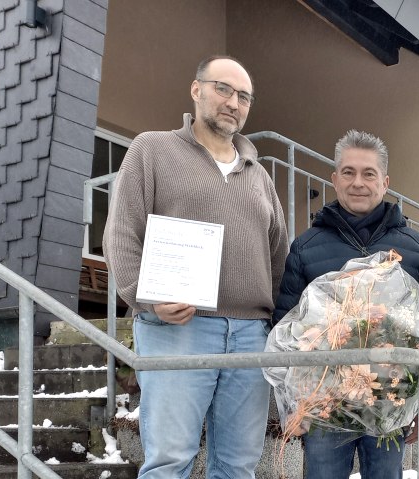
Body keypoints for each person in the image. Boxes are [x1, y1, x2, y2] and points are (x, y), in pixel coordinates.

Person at [104, 55, 289, 478]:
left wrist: (279, 323)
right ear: (196, 89)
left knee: (239, 465)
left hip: (250, 336)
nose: (233, 102)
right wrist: (146, 298)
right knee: (170, 460)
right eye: (223, 89)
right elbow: (121, 234)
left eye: (243, 96)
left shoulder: (258, 175)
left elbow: (277, 254)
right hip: (177, 329)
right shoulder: (152, 149)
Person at [273, 129, 419, 478]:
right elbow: (283, 325)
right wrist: (292, 404)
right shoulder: (306, 247)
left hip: (389, 404)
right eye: (348, 172)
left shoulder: (416, 249)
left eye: (368, 173)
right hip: (323, 407)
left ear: (385, 181)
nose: (358, 182)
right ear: (334, 179)